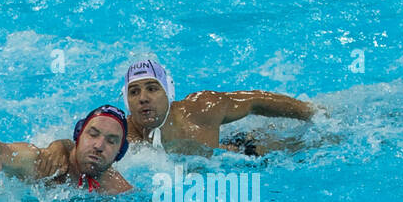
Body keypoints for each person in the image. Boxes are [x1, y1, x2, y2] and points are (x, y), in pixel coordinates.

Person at [121, 58, 320, 156]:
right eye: (134, 92)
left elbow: (255, 101)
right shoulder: (121, 138)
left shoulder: (202, 109)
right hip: (210, 167)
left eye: (152, 88)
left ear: (168, 92)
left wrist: (310, 112)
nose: (143, 98)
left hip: (240, 158)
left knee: (303, 145)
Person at [0, 104, 134, 195]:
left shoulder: (118, 190)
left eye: (111, 141)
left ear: (120, 152)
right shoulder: (51, 164)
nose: (99, 146)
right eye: (92, 135)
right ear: (78, 134)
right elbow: (17, 155)